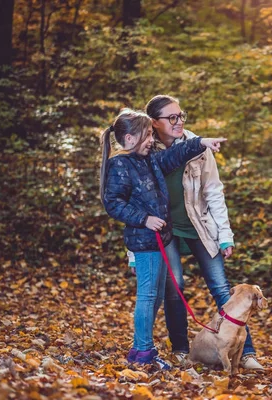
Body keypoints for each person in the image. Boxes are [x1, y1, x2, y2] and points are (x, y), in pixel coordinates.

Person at [127, 94, 264, 370]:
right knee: (174, 285)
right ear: (154, 123)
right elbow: (132, 205)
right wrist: (134, 254)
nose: (179, 122)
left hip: (200, 226)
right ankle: (180, 350)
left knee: (221, 287)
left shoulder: (196, 144)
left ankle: (246, 353)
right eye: (172, 117)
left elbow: (214, 191)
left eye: (181, 116)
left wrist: (226, 235)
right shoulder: (143, 151)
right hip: (164, 232)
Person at [100, 108, 226, 370]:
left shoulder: (149, 160)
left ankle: (140, 350)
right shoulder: (120, 164)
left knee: (154, 296)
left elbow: (175, 155)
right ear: (131, 139)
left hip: (158, 239)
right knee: (147, 296)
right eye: (147, 135)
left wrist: (201, 142)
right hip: (144, 241)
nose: (151, 140)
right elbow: (112, 203)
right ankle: (144, 351)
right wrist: (144, 219)